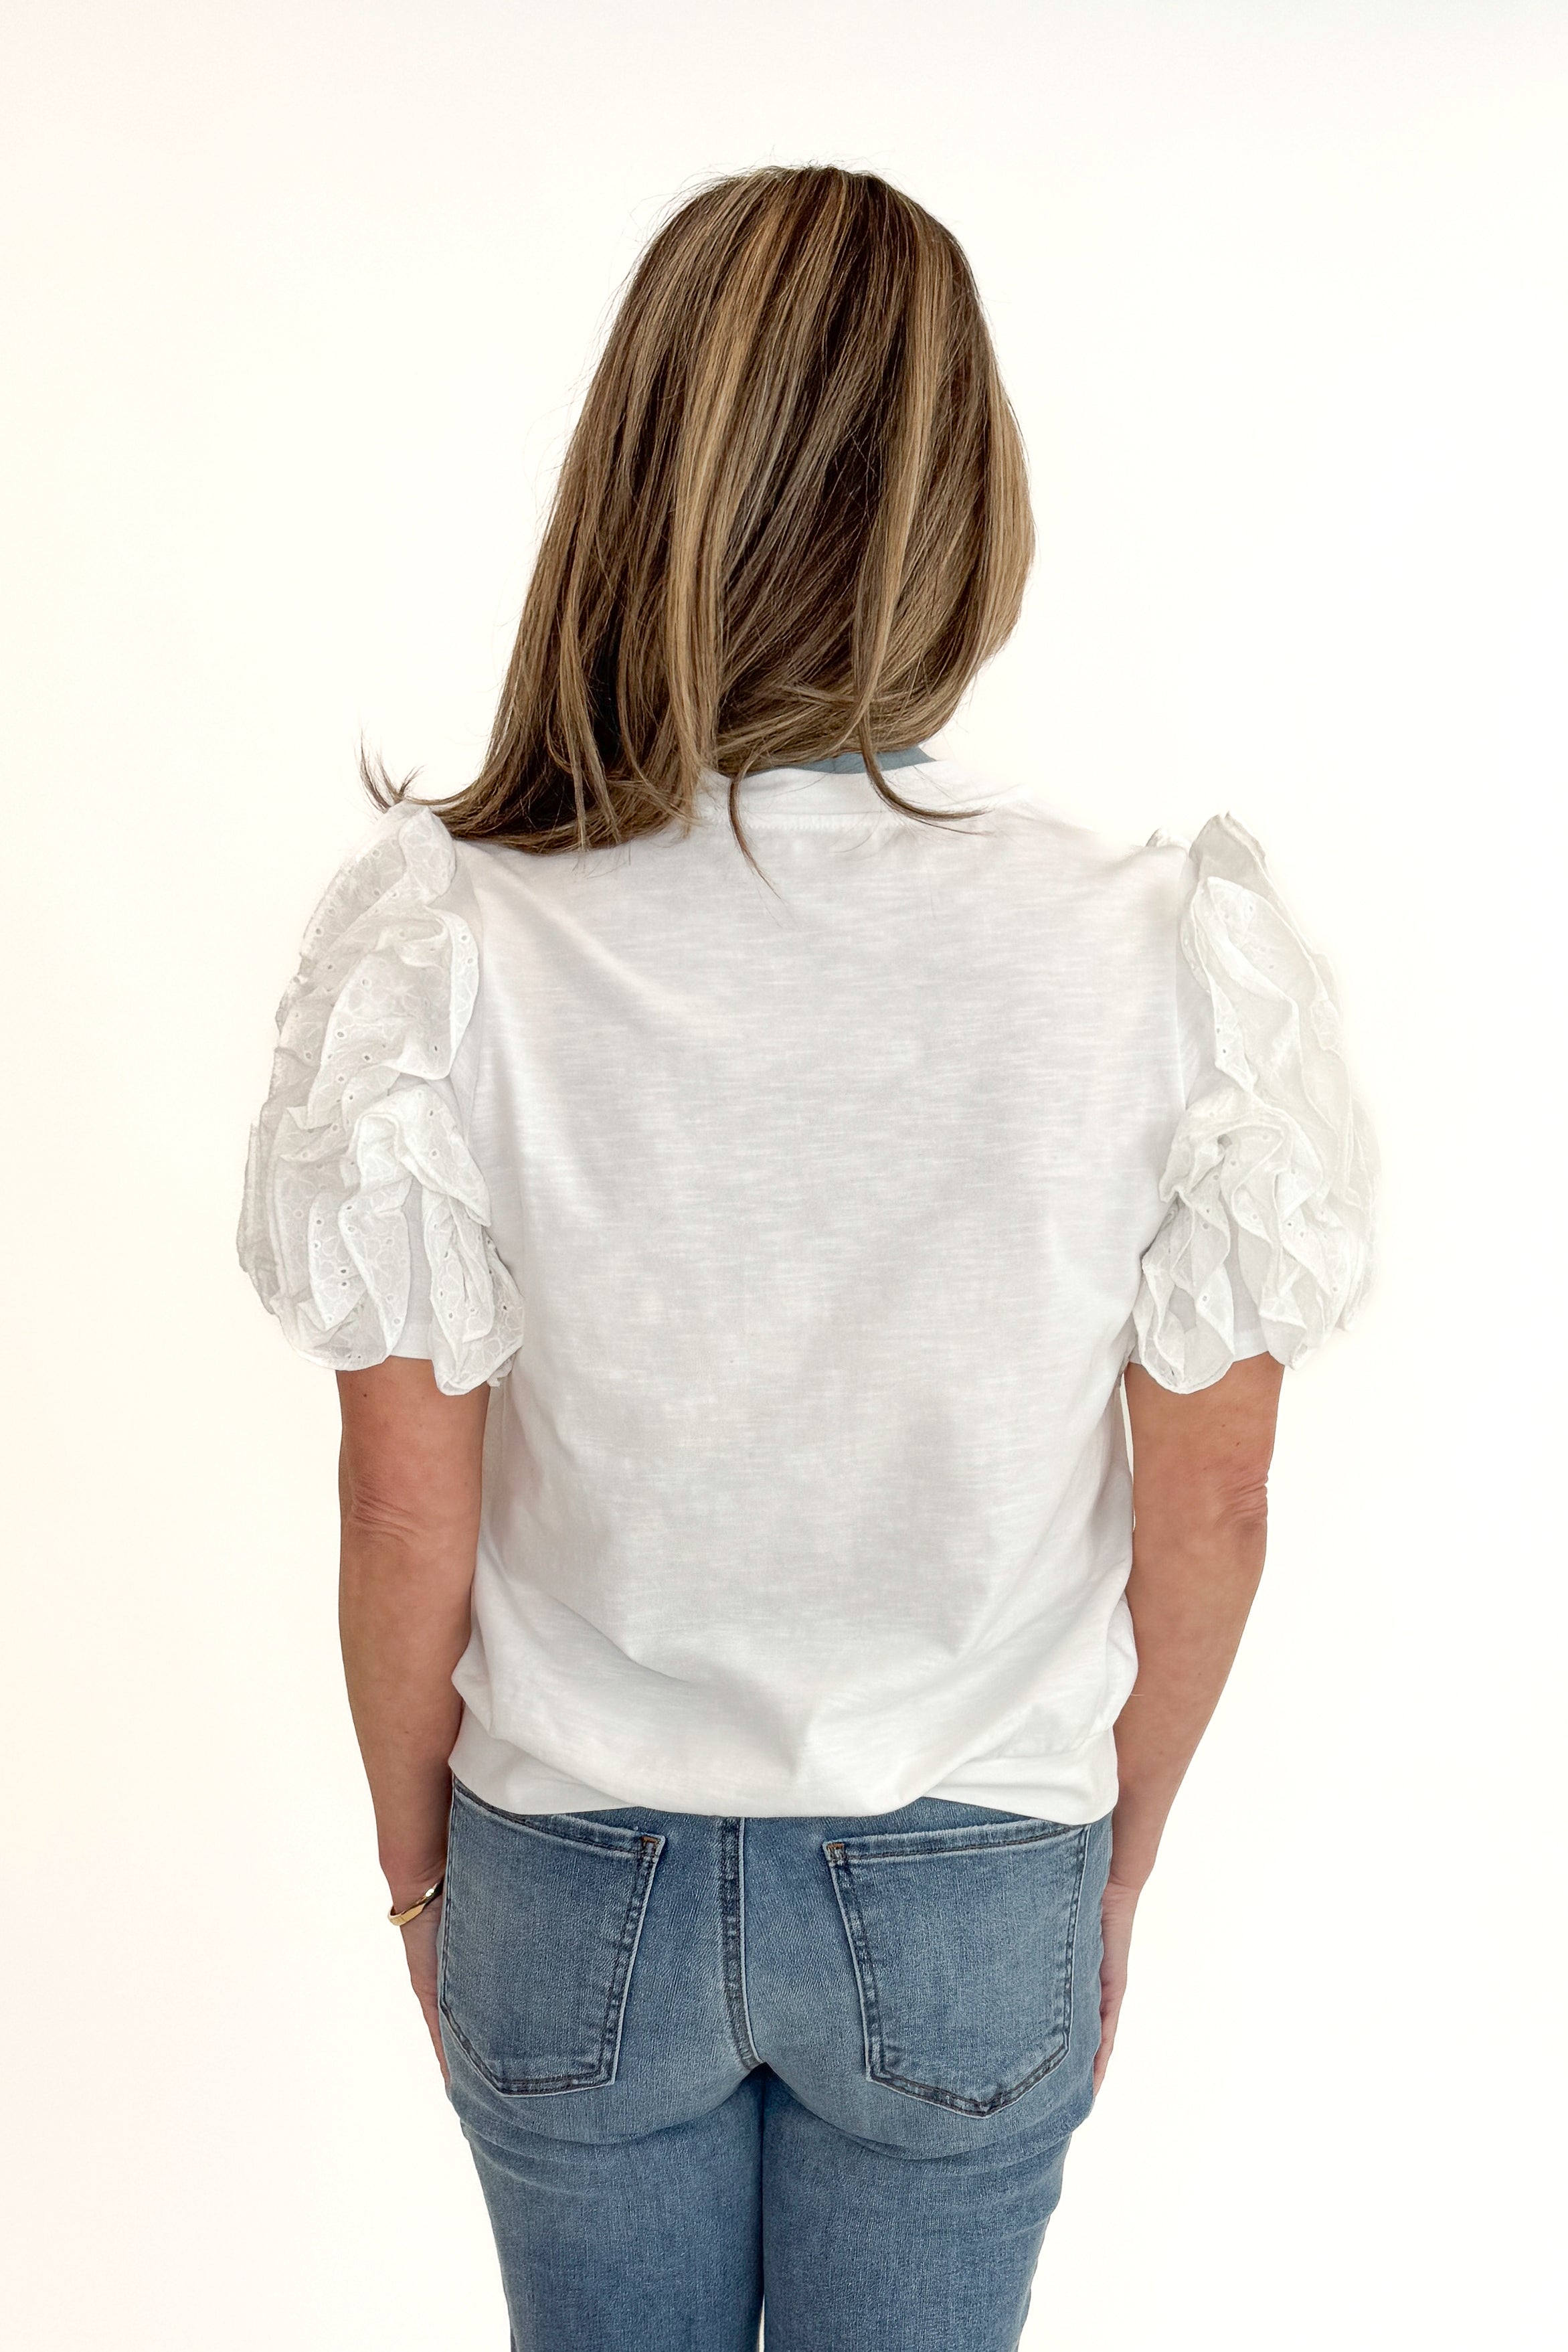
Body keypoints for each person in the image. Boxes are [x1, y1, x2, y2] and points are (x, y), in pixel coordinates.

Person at [238, 164, 1375, 2352]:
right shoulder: (1153, 958)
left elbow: (406, 1498)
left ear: (638, 479)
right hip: (975, 1876)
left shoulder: (456, 944)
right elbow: (1210, 1499)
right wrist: (1107, 1861)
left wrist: (418, 1867)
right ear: (971, 506)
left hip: (575, 1877)